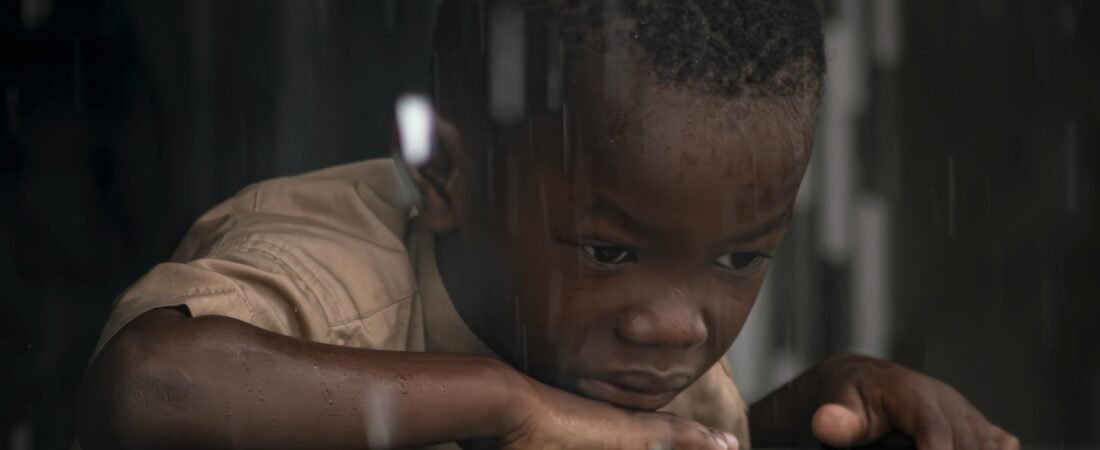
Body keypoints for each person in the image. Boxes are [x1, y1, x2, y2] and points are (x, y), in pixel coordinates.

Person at [77, 1, 1019, 449]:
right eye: (608, 251)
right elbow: (152, 389)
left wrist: (814, 413)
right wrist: (509, 403)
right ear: (444, 174)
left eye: (738, 257)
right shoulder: (338, 275)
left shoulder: (620, 343)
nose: (677, 325)